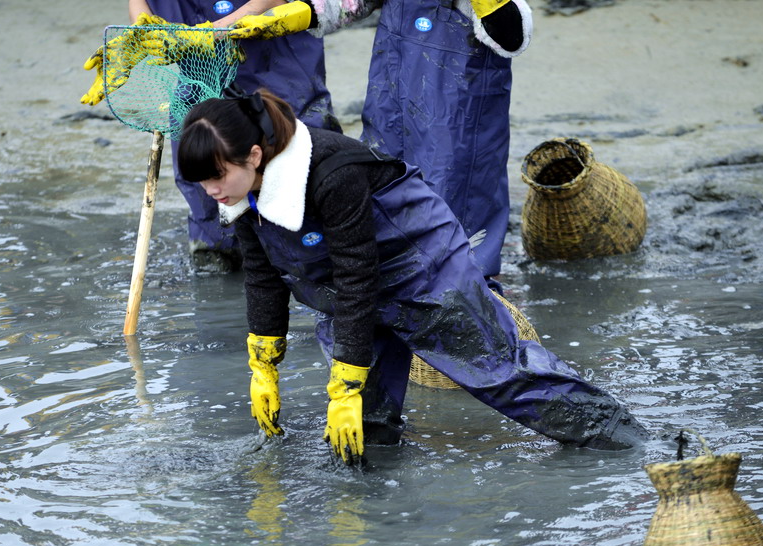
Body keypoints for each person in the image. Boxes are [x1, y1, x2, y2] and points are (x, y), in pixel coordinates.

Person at [176, 87, 650, 465]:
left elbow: (357, 272)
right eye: (201, 182)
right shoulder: (239, 194)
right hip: (348, 287)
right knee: (358, 422)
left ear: (254, 156)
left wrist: (344, 380)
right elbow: (264, 275)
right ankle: (375, 508)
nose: (210, 191)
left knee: (499, 373)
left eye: (217, 176)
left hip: (421, 266)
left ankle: (631, 443)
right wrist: (263, 360)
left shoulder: (331, 171)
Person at [229, 0, 533, 287]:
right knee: (382, 192)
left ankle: (473, 303)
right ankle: (396, 303)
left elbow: (512, 35)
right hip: (390, 103)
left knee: (454, 204)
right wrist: (292, 15)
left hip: (457, 115)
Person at [94, 1, 341, 272]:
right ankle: (219, 257)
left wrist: (220, 30)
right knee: (206, 165)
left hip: (267, 48)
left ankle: (320, 265)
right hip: (192, 58)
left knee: (293, 167)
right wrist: (144, 25)